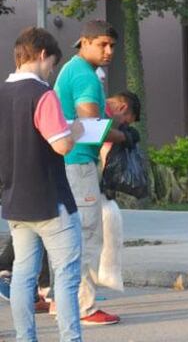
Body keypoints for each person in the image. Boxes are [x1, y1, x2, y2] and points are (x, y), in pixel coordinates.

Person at [0, 27, 85, 341]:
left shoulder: (2, 93)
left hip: (14, 201)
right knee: (66, 277)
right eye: (52, 64)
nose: (52, 71)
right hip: (51, 202)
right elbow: (61, 145)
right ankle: (70, 338)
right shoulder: (42, 94)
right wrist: (75, 130)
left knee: (22, 276)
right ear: (40, 55)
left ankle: (25, 337)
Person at [53, 20, 136, 326]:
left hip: (65, 161)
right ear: (84, 42)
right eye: (102, 44)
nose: (109, 51)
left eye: (112, 45)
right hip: (78, 162)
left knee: (66, 234)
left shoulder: (72, 70)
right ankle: (85, 307)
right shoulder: (85, 77)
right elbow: (90, 127)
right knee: (86, 234)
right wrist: (125, 137)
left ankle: (59, 301)